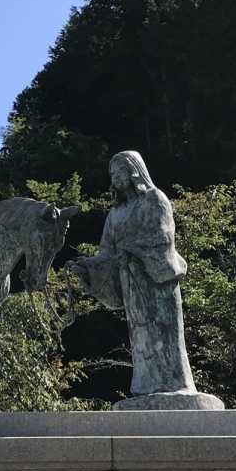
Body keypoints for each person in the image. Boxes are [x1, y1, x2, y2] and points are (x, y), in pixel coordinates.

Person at [72, 151, 198, 399]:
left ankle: (176, 383)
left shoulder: (154, 199)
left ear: (135, 170)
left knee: (165, 332)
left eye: (120, 169)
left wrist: (131, 251)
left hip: (155, 277)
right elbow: (106, 253)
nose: (116, 176)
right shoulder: (115, 214)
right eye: (112, 172)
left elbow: (163, 235)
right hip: (129, 280)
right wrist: (87, 266)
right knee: (140, 336)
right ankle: (145, 387)